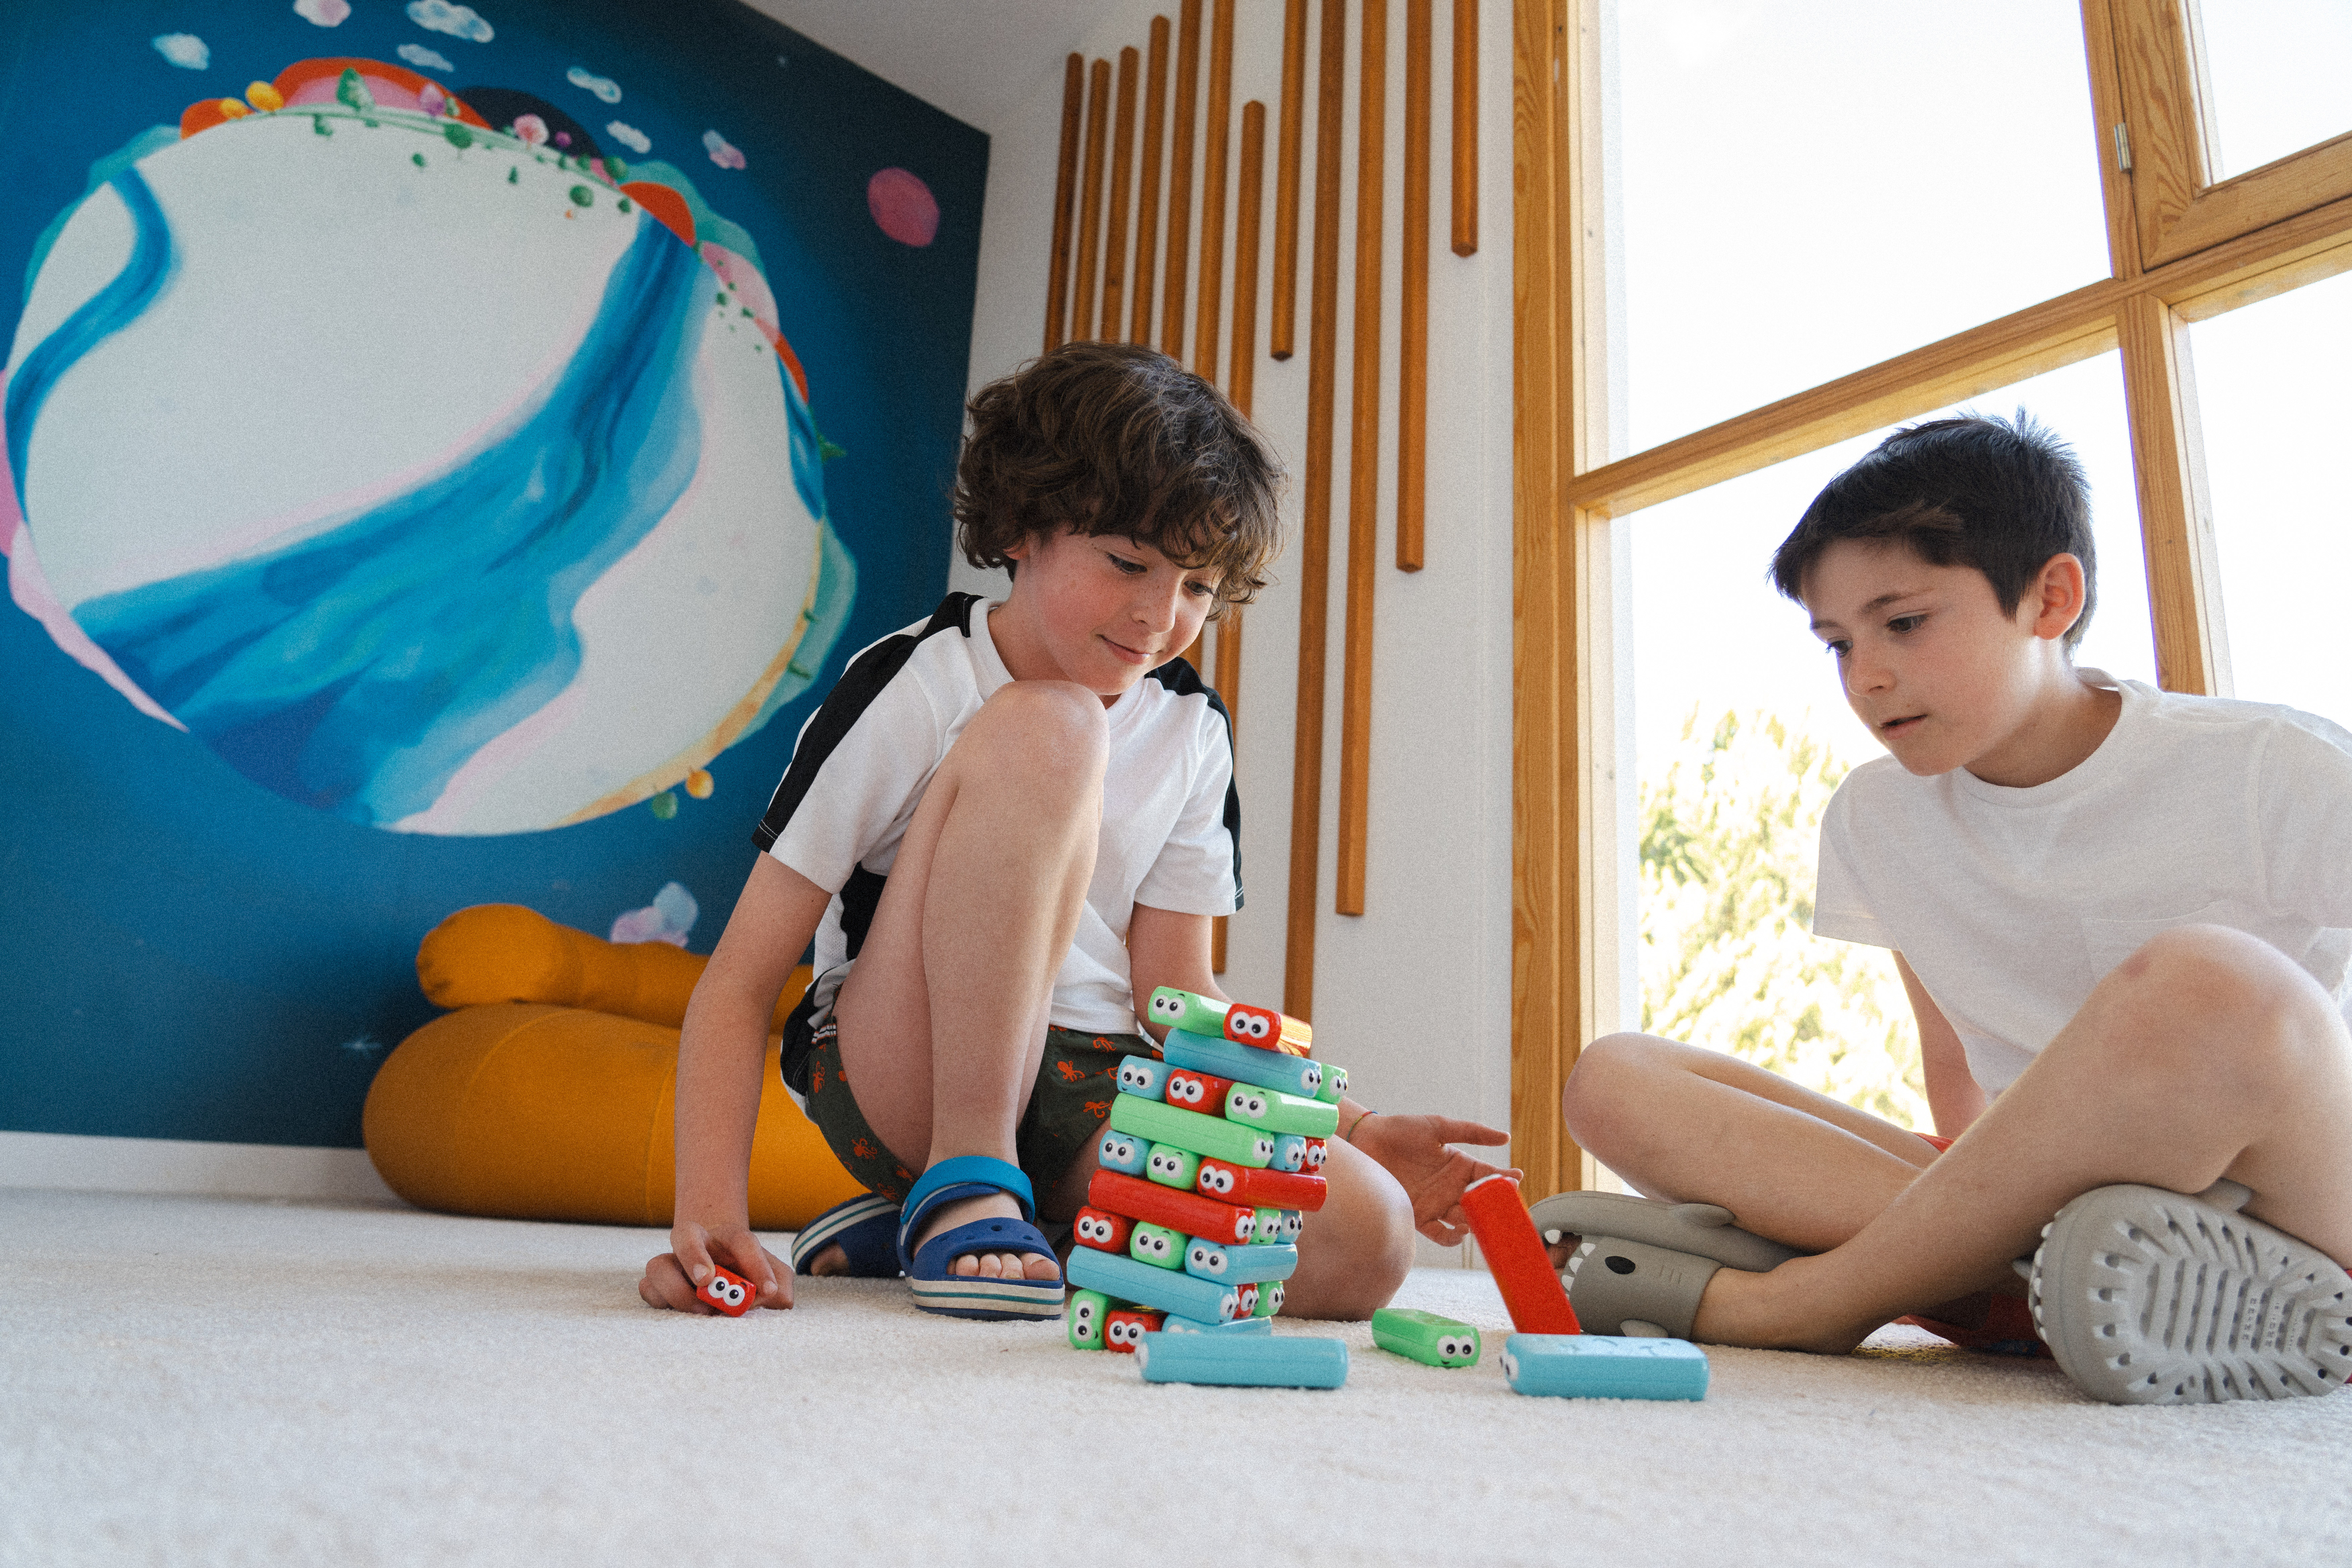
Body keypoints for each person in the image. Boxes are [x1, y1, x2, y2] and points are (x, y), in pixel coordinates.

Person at [638, 341, 1511, 1322]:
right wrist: (710, 1211)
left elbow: (1177, 995)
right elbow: (745, 973)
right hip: (906, 1064)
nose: (1159, 616)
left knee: (1366, 1241)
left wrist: (1348, 1126)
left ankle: (997, 1222)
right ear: (1021, 530)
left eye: (1197, 587)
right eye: (1130, 564)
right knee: (1054, 723)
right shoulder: (918, 680)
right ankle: (964, 1171)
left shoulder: (1192, 728)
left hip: (1095, 1078)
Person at [1545, 413, 2352, 1404]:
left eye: (1905, 623)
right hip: (2038, 1205)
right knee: (1612, 1076)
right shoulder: (1876, 818)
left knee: (2210, 981)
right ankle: (2026, 1286)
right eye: (1837, 644)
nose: (1867, 676)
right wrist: (1970, 1201)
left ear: (2050, 598)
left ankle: (1810, 1300)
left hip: (2290, 1194)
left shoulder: (2274, 766)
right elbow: (1955, 1067)